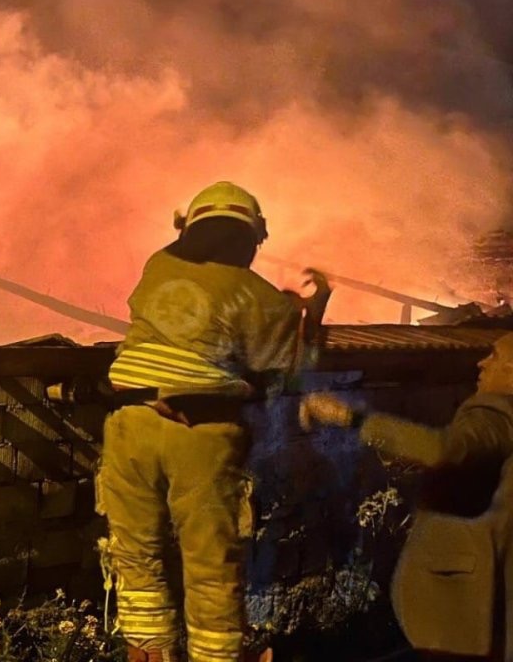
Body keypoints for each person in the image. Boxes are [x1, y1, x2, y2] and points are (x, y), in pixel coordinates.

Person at [99, 181, 331, 662]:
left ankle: (147, 653)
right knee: (210, 561)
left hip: (129, 424)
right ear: (252, 238)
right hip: (203, 434)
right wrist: (308, 314)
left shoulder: (158, 265)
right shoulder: (259, 296)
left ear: (188, 229)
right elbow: (290, 370)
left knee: (136, 554)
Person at [300, 332, 513, 661]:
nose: (481, 362)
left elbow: (440, 449)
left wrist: (349, 417)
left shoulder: (496, 416)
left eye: (495, 356)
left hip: (464, 613)